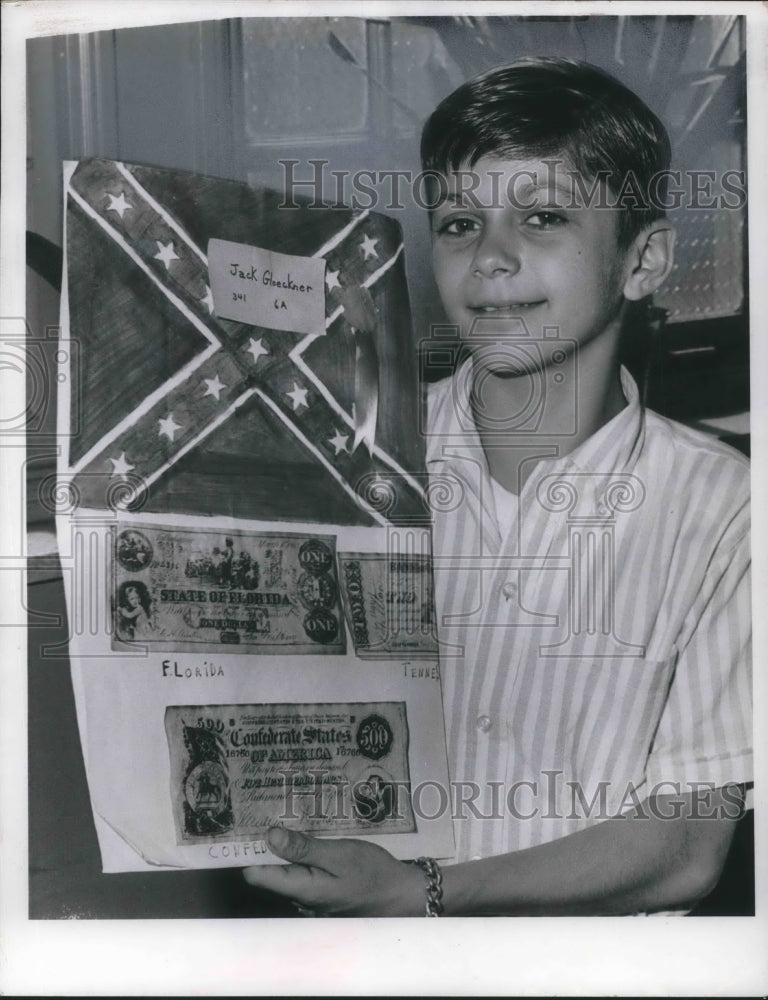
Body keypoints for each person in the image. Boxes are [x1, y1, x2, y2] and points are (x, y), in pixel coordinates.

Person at [242, 57, 751, 916]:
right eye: (458, 223)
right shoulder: (346, 455)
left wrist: (425, 895)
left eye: (543, 217)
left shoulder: (727, 510)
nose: (491, 260)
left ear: (645, 258)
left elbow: (685, 848)